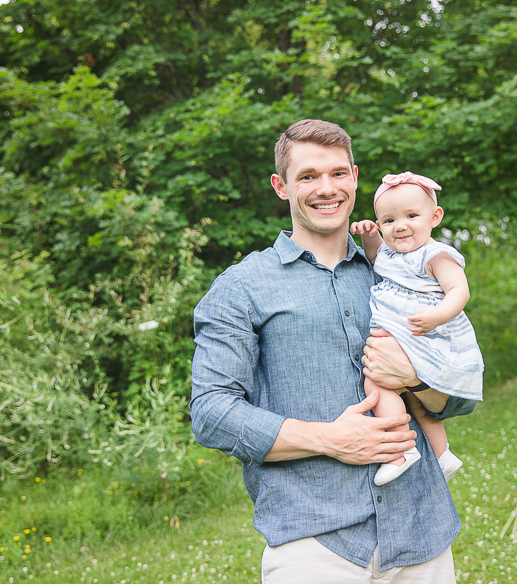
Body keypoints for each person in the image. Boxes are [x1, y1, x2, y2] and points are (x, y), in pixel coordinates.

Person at [190, 119, 478, 583]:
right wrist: (329, 439)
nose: (327, 188)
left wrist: (414, 379)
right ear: (281, 186)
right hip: (315, 544)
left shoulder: (403, 273)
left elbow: (458, 394)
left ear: (356, 177)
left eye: (338, 174)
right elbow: (211, 412)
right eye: (308, 176)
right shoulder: (242, 287)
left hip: (422, 533)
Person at [350, 171, 481, 486]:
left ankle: (400, 452)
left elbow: (459, 291)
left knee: (377, 386)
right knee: (415, 403)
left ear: (435, 217)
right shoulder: (391, 254)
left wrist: (437, 316)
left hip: (427, 336)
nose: (401, 225)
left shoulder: (435, 254)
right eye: (389, 220)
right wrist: (368, 235)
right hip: (403, 339)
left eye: (411, 215)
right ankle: (443, 454)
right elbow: (374, 256)